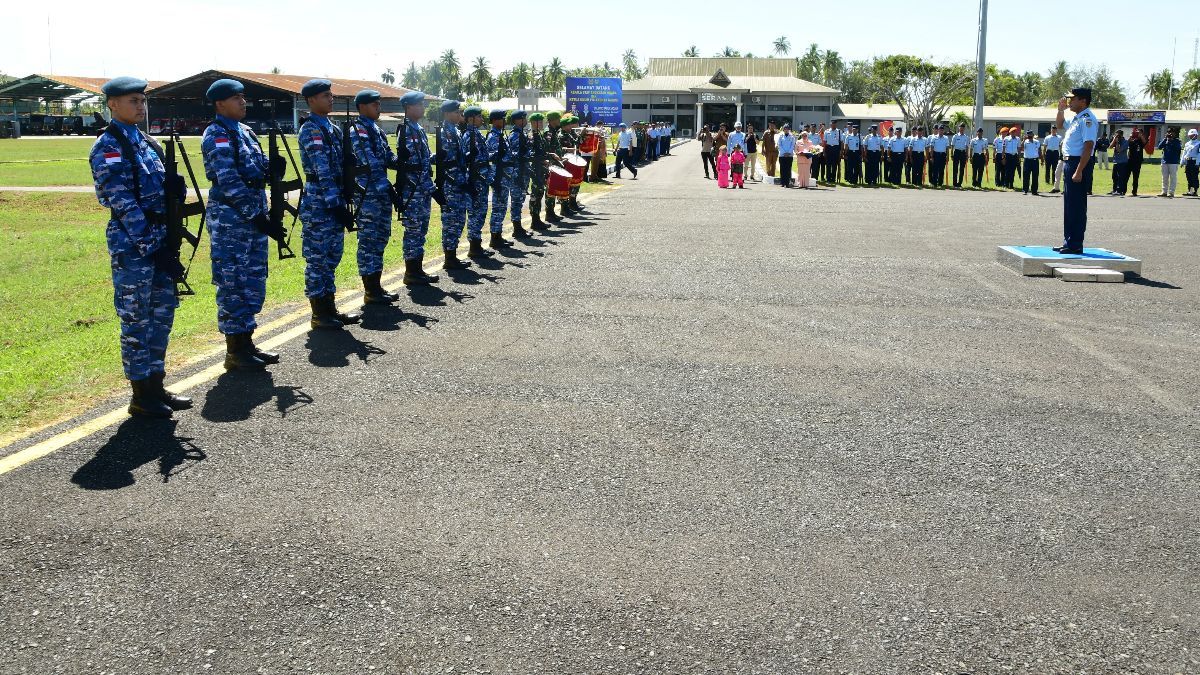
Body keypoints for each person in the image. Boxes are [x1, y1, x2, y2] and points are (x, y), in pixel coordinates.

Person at [89, 76, 191, 417]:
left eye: (143, 101)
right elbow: (122, 204)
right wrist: (153, 247)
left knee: (162, 313)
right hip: (134, 245)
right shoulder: (108, 146)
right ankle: (140, 395)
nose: (140, 106)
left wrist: (175, 191)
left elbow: (160, 193)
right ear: (113, 105)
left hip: (160, 239)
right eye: (133, 101)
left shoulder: (148, 143)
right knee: (136, 318)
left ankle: (156, 384)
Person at [201, 78, 281, 372]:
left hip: (253, 215)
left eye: (243, 98)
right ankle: (234, 351)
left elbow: (253, 171)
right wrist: (257, 215)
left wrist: (270, 169)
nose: (243, 102)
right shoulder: (216, 134)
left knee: (253, 280)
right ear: (220, 103)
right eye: (236, 99)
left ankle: (247, 342)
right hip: (232, 219)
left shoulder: (246, 132)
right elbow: (229, 180)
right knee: (232, 282)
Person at [297, 78, 362, 330]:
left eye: (331, 94)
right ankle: (319, 313)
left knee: (332, 255)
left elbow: (340, 168)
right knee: (318, 259)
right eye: (325, 95)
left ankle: (330, 308)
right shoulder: (311, 128)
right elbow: (322, 170)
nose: (330, 98)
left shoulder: (333, 128)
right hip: (320, 203)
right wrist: (336, 204)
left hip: (335, 198)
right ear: (311, 100)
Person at [348, 89, 401, 306]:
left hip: (380, 194)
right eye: (374, 104)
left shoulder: (377, 130)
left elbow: (387, 157)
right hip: (367, 194)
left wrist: (401, 161)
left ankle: (376, 286)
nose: (378, 107)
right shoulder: (358, 130)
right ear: (362, 106)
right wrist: (387, 187)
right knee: (368, 241)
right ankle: (370, 290)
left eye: (379, 104)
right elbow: (368, 161)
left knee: (381, 238)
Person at [394, 90, 440, 285]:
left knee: (421, 229)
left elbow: (422, 160)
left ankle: (418, 269)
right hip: (412, 189)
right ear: (408, 107)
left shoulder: (418, 129)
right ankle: (411, 272)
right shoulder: (405, 130)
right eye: (419, 105)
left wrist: (438, 158)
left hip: (423, 189)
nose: (423, 108)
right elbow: (409, 163)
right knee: (413, 230)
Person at [1055, 87, 1098, 255]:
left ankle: (1075, 243)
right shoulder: (1076, 119)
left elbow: (1088, 146)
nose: (1070, 101)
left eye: (1073, 99)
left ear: (1083, 101)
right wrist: (1060, 110)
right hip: (1070, 163)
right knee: (1069, 205)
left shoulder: (1087, 119)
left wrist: (1079, 170)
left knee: (1077, 206)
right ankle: (1069, 241)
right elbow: (1059, 125)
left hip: (1079, 163)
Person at [437, 100, 471, 270]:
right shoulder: (443, 132)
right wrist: (457, 181)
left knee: (459, 220)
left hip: (459, 182)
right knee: (451, 220)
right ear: (447, 113)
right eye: (457, 112)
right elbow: (446, 162)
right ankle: (449, 258)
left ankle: (453, 255)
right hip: (451, 184)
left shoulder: (456, 131)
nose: (460, 115)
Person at [485, 109, 514, 250]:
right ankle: (494, 237)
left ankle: (498, 235)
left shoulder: (501, 135)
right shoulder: (492, 136)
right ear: (495, 120)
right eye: (502, 119)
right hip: (499, 175)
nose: (504, 121)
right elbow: (491, 156)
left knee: (502, 206)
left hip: (505, 175)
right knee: (498, 206)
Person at [506, 110, 532, 236]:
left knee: (520, 199)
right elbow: (515, 155)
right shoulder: (515, 135)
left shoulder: (522, 133)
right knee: (516, 200)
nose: (526, 121)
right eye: (523, 118)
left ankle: (518, 226)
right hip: (517, 173)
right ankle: (516, 228)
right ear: (517, 120)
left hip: (524, 171)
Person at [526, 112, 553, 230]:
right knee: (535, 194)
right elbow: (532, 154)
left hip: (541, 169)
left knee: (540, 193)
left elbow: (542, 151)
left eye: (542, 121)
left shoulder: (540, 135)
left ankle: (537, 219)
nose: (541, 124)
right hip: (536, 169)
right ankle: (534, 219)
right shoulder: (532, 136)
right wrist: (543, 160)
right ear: (532, 123)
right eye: (538, 121)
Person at [1156, 127, 1182, 198]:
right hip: (1165, 161)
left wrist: (1171, 141)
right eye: (1169, 132)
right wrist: (1165, 139)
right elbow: (1159, 147)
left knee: (1173, 177)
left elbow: (1178, 148)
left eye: (1172, 132)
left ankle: (1171, 192)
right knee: (1164, 177)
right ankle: (1164, 192)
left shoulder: (1177, 141)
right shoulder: (1165, 140)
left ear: (1174, 133)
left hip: (1173, 162)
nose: (1170, 134)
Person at [1020, 129, 1042, 195]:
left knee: (1035, 176)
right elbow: (1021, 148)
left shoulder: (1037, 142)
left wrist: (1042, 159)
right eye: (1028, 134)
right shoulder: (1025, 142)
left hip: (1035, 161)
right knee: (1026, 176)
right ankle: (1025, 190)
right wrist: (1023, 140)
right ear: (1027, 135)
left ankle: (1034, 191)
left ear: (1032, 134)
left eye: (1030, 134)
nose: (1029, 135)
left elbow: (1039, 150)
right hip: (1027, 161)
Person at [1108, 129, 1129, 196]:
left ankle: (1119, 190)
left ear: (1121, 135)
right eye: (1115, 135)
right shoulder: (1116, 141)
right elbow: (1110, 147)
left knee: (1120, 177)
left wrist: (1117, 142)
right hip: (1116, 161)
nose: (1117, 136)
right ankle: (1114, 189)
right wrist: (1114, 140)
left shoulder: (1125, 142)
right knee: (1114, 177)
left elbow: (1119, 150)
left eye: (1118, 135)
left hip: (1122, 162)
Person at [1127, 128, 1146, 196]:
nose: (1137, 134)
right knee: (1126, 176)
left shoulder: (1141, 141)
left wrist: (1141, 136)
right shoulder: (1132, 140)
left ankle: (1134, 191)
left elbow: (1145, 143)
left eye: (1139, 133)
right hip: (1130, 160)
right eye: (1136, 132)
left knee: (1135, 177)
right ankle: (1123, 190)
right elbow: (1127, 143)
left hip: (1138, 161)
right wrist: (1130, 136)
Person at [822, 120, 842, 185]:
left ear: (836, 124)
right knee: (828, 164)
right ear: (830, 124)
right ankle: (828, 178)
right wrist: (824, 151)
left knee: (834, 165)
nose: (833, 125)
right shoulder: (826, 131)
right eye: (832, 124)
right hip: (828, 148)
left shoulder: (839, 131)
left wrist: (841, 151)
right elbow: (824, 142)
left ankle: (833, 179)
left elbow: (841, 142)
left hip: (836, 149)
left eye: (834, 124)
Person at [951, 123, 969, 187]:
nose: (962, 129)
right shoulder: (955, 136)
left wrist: (967, 155)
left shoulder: (966, 137)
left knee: (962, 169)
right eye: (961, 127)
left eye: (963, 128)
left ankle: (959, 183)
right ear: (959, 128)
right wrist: (951, 154)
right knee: (955, 168)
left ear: (964, 129)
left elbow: (967, 147)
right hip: (956, 152)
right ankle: (954, 183)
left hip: (963, 153)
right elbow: (952, 145)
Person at [1183, 128, 1200, 197]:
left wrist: (1197, 163)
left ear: (1196, 135)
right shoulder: (1187, 143)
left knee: (1194, 176)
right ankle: (1190, 190)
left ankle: (1195, 191)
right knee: (1188, 176)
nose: (1190, 136)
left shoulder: (1199, 143)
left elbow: (1199, 154)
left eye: (1192, 135)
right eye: (1189, 135)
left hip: (1194, 161)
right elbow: (1184, 152)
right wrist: (1182, 161)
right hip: (1188, 161)